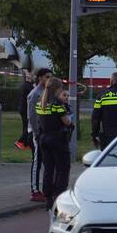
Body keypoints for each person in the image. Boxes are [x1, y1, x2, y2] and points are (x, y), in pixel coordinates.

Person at [35, 77, 72, 209]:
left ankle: (48, 197)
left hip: (43, 138)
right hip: (57, 139)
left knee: (48, 169)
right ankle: (59, 195)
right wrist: (70, 117)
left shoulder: (40, 103)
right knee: (63, 168)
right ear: (57, 89)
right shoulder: (57, 104)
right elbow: (67, 121)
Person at [26, 67, 52, 203]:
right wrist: (36, 133)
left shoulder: (47, 91)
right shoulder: (35, 93)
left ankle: (48, 188)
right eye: (47, 77)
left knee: (46, 160)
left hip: (46, 131)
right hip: (37, 132)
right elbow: (31, 116)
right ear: (40, 78)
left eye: (50, 77)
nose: (49, 79)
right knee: (37, 160)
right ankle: (35, 190)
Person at [15, 70, 34, 151]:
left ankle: (25, 143)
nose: (33, 76)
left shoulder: (24, 85)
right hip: (26, 109)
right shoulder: (28, 86)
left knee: (25, 125)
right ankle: (20, 141)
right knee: (28, 126)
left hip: (23, 108)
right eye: (32, 75)